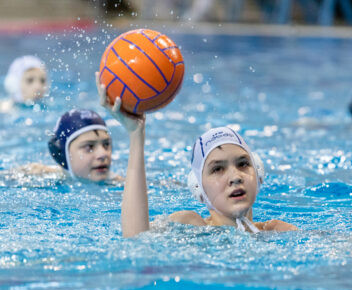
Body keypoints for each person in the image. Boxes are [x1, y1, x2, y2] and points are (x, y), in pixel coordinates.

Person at [96, 72, 297, 237]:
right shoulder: (190, 226)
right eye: (217, 169)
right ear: (198, 188)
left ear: (259, 173)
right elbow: (135, 239)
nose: (235, 177)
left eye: (243, 164)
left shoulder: (277, 231)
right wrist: (135, 136)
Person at [19, 109, 122, 183]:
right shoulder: (39, 176)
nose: (103, 154)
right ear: (63, 155)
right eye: (89, 147)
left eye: (106, 144)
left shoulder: (121, 187)